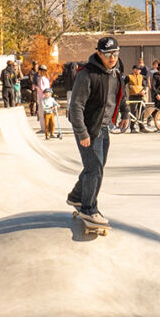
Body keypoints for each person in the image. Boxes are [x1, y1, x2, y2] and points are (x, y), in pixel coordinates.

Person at [66, 36, 125, 227]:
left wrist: (125, 112)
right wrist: (82, 133)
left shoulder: (116, 70)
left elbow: (120, 93)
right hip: (88, 128)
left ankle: (77, 196)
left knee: (97, 167)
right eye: (107, 54)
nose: (112, 58)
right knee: (94, 169)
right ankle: (88, 209)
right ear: (99, 53)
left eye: (115, 54)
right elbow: (75, 106)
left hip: (104, 126)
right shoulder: (87, 74)